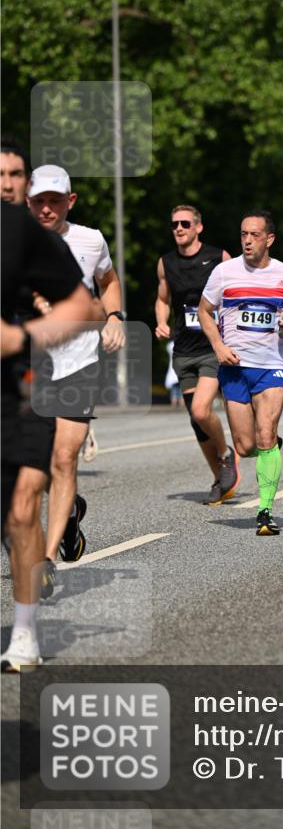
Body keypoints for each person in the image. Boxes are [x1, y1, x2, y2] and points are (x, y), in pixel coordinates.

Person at [1, 201, 100, 671]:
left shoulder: (32, 234)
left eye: (16, 175)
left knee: (47, 477)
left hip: (45, 373)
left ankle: (25, 628)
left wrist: (26, 334)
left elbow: (90, 302)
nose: (10, 185)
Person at [26, 165, 126, 598]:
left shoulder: (90, 240)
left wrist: (116, 317)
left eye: (55, 200)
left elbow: (109, 281)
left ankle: (45, 561)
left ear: (71, 201)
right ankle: (68, 516)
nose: (46, 208)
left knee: (64, 458)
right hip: (30, 365)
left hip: (79, 363)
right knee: (36, 464)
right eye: (39, 201)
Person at [199, 211, 283, 535]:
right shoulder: (223, 272)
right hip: (234, 367)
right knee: (245, 446)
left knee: (264, 435)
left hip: (272, 365)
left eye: (254, 234)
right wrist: (217, 344)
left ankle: (265, 511)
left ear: (269, 239)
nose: (246, 240)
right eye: (243, 233)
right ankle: (267, 446)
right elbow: (205, 310)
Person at [155, 205, 237, 503]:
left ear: (198, 227)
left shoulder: (219, 258)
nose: (179, 228)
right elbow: (162, 298)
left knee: (202, 410)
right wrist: (161, 322)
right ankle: (220, 479)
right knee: (195, 419)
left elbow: (236, 294)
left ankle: (226, 456)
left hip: (212, 347)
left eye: (185, 223)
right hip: (183, 349)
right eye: (174, 224)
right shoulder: (166, 263)